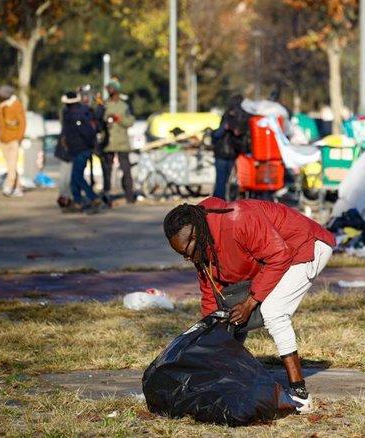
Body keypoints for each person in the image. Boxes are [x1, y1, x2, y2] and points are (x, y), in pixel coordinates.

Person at [163, 199, 335, 414]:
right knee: (225, 319)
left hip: (305, 246)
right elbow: (211, 293)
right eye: (182, 255)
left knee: (273, 310)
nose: (187, 258)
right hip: (279, 256)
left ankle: (300, 394)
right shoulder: (202, 247)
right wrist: (211, 332)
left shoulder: (238, 218)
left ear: (196, 236)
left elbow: (278, 256)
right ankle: (230, 380)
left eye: (187, 251)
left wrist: (250, 302)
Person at [62, 92, 100, 212]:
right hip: (80, 149)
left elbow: (86, 132)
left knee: (77, 176)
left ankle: (93, 197)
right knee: (74, 177)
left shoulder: (76, 115)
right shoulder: (82, 112)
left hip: (81, 149)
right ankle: (77, 201)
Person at [101, 79, 135, 204]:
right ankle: (106, 194)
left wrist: (118, 119)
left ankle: (129, 195)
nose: (109, 90)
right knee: (107, 171)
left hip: (122, 143)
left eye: (111, 88)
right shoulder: (104, 105)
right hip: (108, 142)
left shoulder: (125, 105)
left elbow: (130, 122)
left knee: (126, 170)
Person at [212, 94, 248, 199]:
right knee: (222, 181)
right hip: (226, 154)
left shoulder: (232, 116)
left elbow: (218, 134)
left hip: (227, 154)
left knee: (223, 180)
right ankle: (218, 201)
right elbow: (219, 134)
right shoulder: (232, 117)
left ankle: (219, 201)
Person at [0, 85, 26, 197]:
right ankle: (18, 187)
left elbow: (22, 122)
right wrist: (1, 136)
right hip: (3, 139)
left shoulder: (16, 105)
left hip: (14, 139)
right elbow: (0, 123)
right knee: (11, 165)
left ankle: (9, 186)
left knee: (12, 164)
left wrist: (20, 137)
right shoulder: (1, 106)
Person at [55, 91, 78, 208]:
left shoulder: (64, 112)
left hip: (64, 147)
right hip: (70, 146)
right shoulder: (74, 114)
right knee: (69, 174)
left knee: (64, 173)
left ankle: (63, 196)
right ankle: (67, 197)